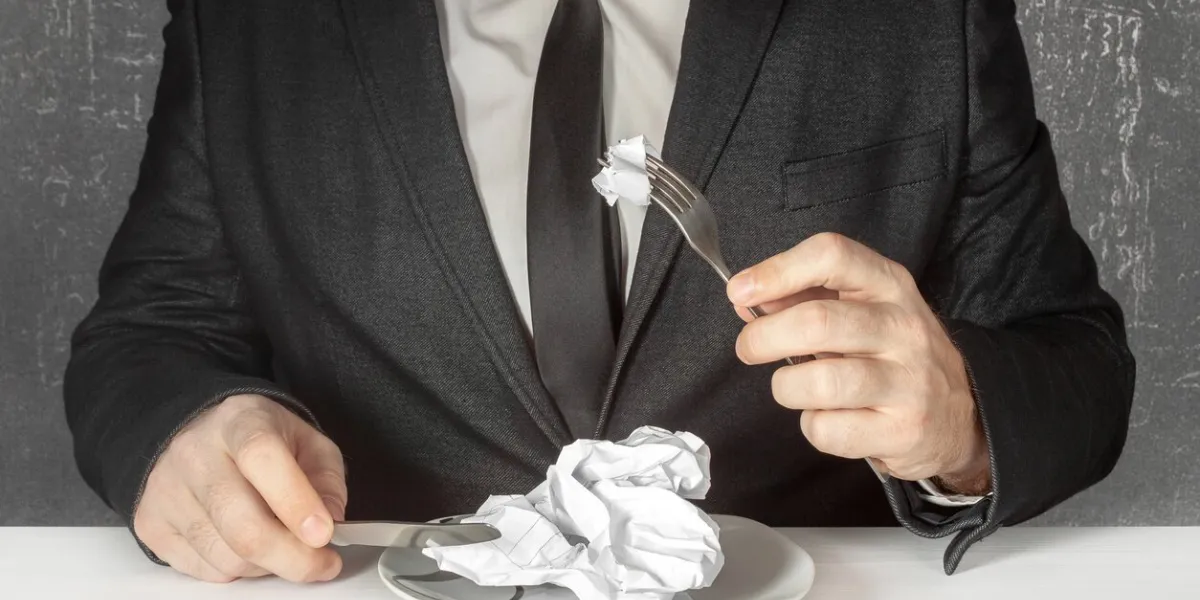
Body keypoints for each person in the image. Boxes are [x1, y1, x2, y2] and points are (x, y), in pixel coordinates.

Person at [64, 0, 1135, 585]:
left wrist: (959, 421)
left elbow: (1071, 355)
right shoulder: (250, 22)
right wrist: (188, 432)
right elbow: (152, 332)